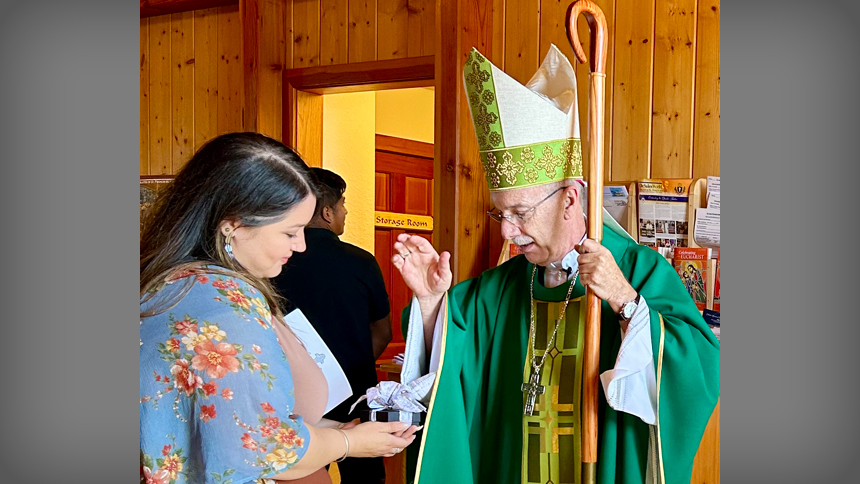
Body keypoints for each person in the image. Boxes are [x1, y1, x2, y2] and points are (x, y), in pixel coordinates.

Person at [391, 46, 720, 484]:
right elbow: (450, 364)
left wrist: (624, 301)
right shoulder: (499, 288)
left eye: (521, 213)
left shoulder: (639, 270)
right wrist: (432, 302)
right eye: (499, 213)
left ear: (569, 199)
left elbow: (697, 367)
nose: (507, 232)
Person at [140, 132, 418, 484]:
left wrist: (331, 429)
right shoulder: (226, 310)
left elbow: (226, 415)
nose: (301, 246)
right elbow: (266, 451)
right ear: (234, 224)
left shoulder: (175, 282)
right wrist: (348, 441)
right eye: (290, 232)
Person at [271, 168, 392, 484]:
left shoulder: (270, 263)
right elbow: (383, 330)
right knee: (364, 470)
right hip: (355, 389)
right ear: (327, 212)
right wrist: (354, 362)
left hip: (290, 391)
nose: (346, 211)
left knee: (301, 468)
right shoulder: (361, 261)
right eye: (342, 204)